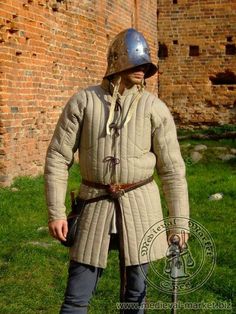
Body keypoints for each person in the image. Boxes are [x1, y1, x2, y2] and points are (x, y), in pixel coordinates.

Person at [44, 28, 190, 314]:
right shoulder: (84, 102)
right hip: (94, 204)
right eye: (136, 62)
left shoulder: (154, 108)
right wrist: (56, 212)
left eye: (145, 64)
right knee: (77, 294)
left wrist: (179, 223)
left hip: (142, 206)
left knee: (135, 295)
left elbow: (173, 171)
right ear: (116, 63)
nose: (143, 68)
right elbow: (58, 157)